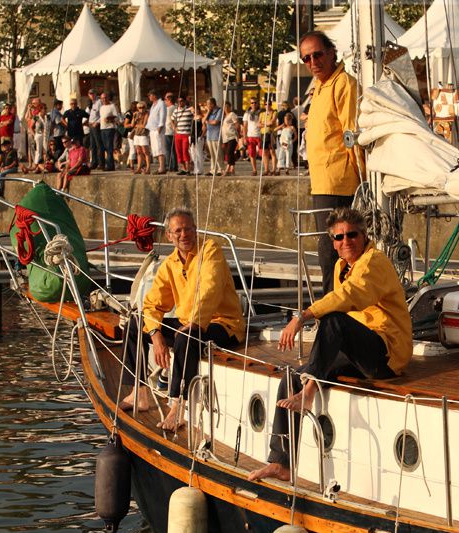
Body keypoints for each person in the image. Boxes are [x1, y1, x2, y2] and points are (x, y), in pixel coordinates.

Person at [247, 207, 412, 482]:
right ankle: (282, 462)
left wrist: (302, 316)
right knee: (290, 378)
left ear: (364, 235)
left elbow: (351, 296)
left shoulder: (375, 262)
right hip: (357, 349)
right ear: (332, 243)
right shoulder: (340, 266)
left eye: (352, 235)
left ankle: (309, 392)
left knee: (333, 320)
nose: (345, 241)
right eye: (338, 238)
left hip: (386, 353)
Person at [118, 207, 245, 431]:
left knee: (186, 336)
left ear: (195, 230)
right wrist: (156, 334)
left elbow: (210, 289)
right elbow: (152, 304)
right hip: (188, 322)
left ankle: (178, 405)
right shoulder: (170, 264)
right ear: (169, 235)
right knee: (134, 324)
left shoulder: (210, 249)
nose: (183, 235)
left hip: (222, 323)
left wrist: (194, 322)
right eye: (178, 231)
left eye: (188, 229)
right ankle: (139, 392)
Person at [300, 30, 364, 295]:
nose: (313, 61)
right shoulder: (319, 88)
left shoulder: (343, 84)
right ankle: (331, 303)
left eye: (318, 54)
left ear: (332, 53)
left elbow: (351, 133)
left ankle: (334, 306)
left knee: (335, 248)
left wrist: (363, 177)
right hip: (321, 181)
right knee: (327, 250)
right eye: (307, 58)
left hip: (339, 180)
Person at [171, 94, 194, 175]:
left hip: (186, 134)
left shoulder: (189, 110)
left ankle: (188, 169)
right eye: (178, 101)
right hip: (178, 134)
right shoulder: (175, 111)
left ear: (184, 101)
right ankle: (183, 168)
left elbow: (196, 116)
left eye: (181, 101)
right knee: (179, 152)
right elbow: (172, 120)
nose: (180, 103)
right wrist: (174, 128)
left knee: (185, 151)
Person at [146, 90, 167, 174]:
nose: (149, 97)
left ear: (154, 95)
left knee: (160, 148)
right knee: (155, 149)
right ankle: (160, 167)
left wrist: (160, 127)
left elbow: (162, 115)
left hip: (158, 129)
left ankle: (162, 167)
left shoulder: (161, 103)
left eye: (150, 95)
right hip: (152, 129)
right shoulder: (153, 105)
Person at [98, 92, 119, 171]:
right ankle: (109, 164)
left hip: (110, 128)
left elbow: (116, 117)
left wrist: (109, 118)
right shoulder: (101, 107)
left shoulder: (112, 106)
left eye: (105, 98)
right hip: (102, 128)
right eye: (102, 98)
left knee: (109, 147)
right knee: (106, 148)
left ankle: (110, 166)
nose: (104, 99)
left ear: (108, 98)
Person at [242, 97, 262, 176]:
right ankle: (254, 170)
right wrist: (244, 137)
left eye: (255, 103)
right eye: (252, 103)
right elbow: (245, 126)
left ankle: (266, 169)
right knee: (251, 154)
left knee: (263, 153)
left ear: (257, 104)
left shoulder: (261, 112)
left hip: (259, 134)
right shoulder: (247, 113)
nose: (253, 104)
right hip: (250, 135)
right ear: (250, 104)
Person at [205, 97, 223, 176]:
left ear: (212, 104)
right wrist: (208, 112)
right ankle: (213, 170)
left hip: (216, 135)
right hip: (209, 135)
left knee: (217, 153)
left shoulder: (219, 110)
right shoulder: (209, 112)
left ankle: (220, 169)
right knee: (212, 154)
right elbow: (203, 121)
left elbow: (215, 122)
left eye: (208, 104)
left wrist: (207, 121)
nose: (207, 106)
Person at [132, 101, 151, 174]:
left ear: (145, 107)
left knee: (145, 151)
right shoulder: (136, 114)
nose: (141, 109)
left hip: (144, 134)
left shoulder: (147, 114)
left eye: (143, 107)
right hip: (137, 134)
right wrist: (134, 117)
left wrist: (137, 125)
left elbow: (144, 125)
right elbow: (132, 124)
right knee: (138, 152)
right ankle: (139, 168)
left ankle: (148, 168)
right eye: (140, 108)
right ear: (137, 108)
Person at [221, 101, 240, 176]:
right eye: (224, 107)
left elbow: (237, 124)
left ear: (230, 107)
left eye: (227, 106)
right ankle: (232, 169)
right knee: (229, 153)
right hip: (226, 138)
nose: (226, 108)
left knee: (229, 152)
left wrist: (238, 134)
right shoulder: (224, 116)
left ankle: (227, 168)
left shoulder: (232, 114)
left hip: (232, 136)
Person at [85, 88, 102, 169]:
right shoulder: (91, 103)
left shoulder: (99, 102)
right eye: (90, 94)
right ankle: (94, 162)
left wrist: (97, 122)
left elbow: (102, 115)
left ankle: (100, 162)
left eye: (93, 93)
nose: (91, 95)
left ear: (95, 94)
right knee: (92, 145)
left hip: (96, 125)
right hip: (90, 126)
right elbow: (87, 114)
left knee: (98, 144)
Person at [260, 100, 278, 176]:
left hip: (271, 134)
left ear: (271, 105)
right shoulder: (262, 114)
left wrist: (263, 123)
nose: (267, 106)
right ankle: (266, 169)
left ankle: (273, 169)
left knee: (272, 152)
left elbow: (272, 122)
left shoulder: (274, 112)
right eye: (265, 104)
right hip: (263, 133)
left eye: (268, 104)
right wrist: (266, 124)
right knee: (265, 153)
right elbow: (258, 124)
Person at [163, 91, 178, 173]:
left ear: (169, 99)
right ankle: (174, 166)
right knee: (174, 150)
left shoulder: (169, 109)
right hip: (174, 131)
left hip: (168, 131)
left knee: (168, 150)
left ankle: (169, 165)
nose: (164, 101)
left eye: (165, 99)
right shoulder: (176, 107)